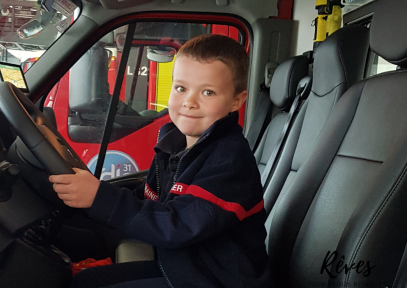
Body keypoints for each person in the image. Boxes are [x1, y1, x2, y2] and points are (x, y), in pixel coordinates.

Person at [49, 34, 270, 288]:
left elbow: (178, 226)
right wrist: (92, 194)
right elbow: (150, 197)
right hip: (186, 264)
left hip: (217, 279)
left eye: (208, 92)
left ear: (236, 101)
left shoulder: (230, 161)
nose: (189, 102)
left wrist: (100, 198)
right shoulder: (174, 144)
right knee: (85, 281)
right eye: (181, 88)